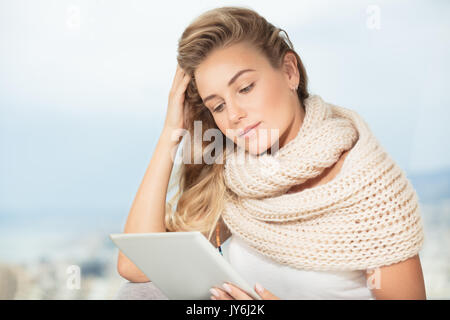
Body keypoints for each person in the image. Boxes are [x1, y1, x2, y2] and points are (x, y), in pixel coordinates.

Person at [117, 6, 426, 300]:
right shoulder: (232, 176)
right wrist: (172, 130)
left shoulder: (370, 191)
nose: (234, 114)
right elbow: (135, 267)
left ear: (289, 71)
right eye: (218, 106)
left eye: (246, 87)